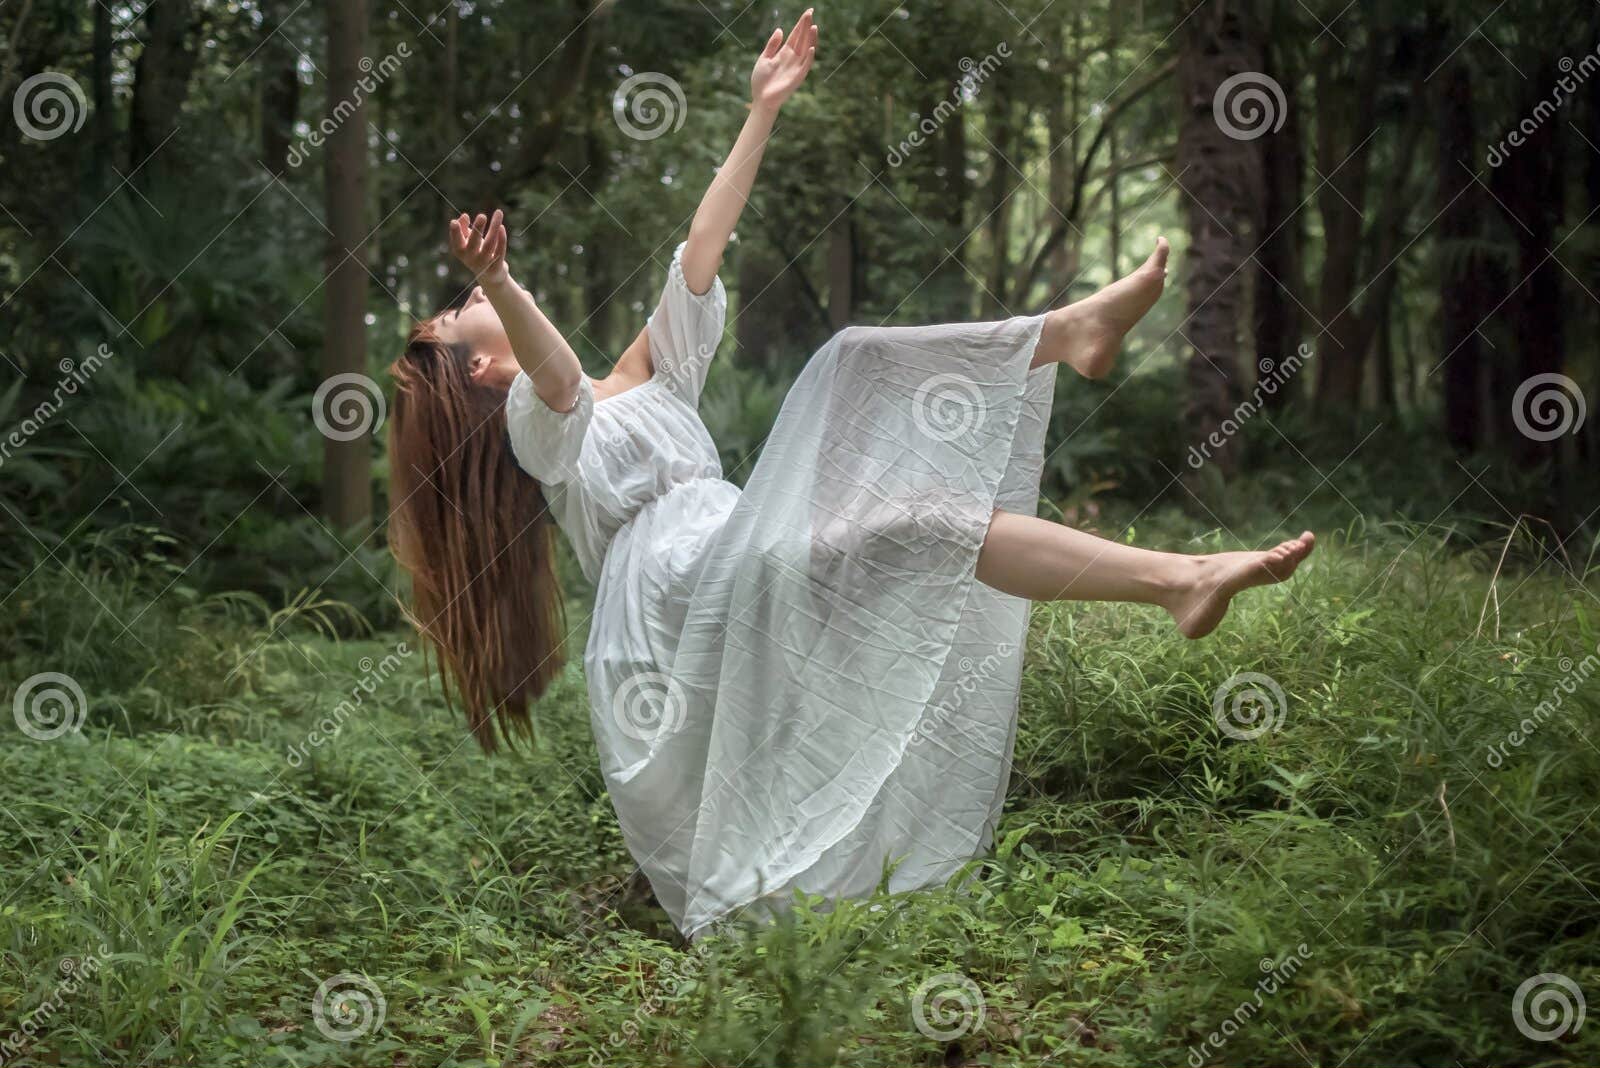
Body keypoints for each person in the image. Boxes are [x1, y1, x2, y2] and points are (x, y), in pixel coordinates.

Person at [387, 9, 1314, 937]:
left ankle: (1179, 579)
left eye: (477, 289)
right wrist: (502, 284)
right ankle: (1061, 338)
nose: (479, 292)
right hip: (675, 593)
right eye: (464, 307)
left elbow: (696, 257)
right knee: (851, 359)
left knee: (931, 522)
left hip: (726, 548)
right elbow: (552, 379)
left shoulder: (637, 379)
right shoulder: (536, 429)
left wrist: (763, 111)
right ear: (477, 367)